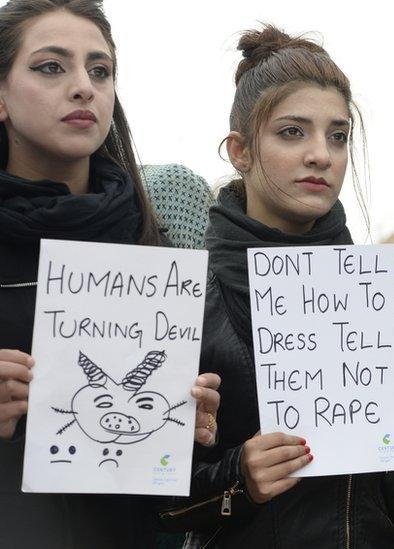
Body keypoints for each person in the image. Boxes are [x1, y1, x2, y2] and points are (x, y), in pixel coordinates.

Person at [163, 25, 394, 547]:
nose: (322, 154)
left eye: (338, 136)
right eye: (293, 132)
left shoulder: (389, 297)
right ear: (240, 151)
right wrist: (238, 478)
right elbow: (148, 499)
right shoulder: (183, 301)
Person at [0, 1, 219, 547]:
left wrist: (189, 420)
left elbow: (187, 490)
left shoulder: (155, 243)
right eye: (51, 67)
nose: (83, 87)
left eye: (100, 70)